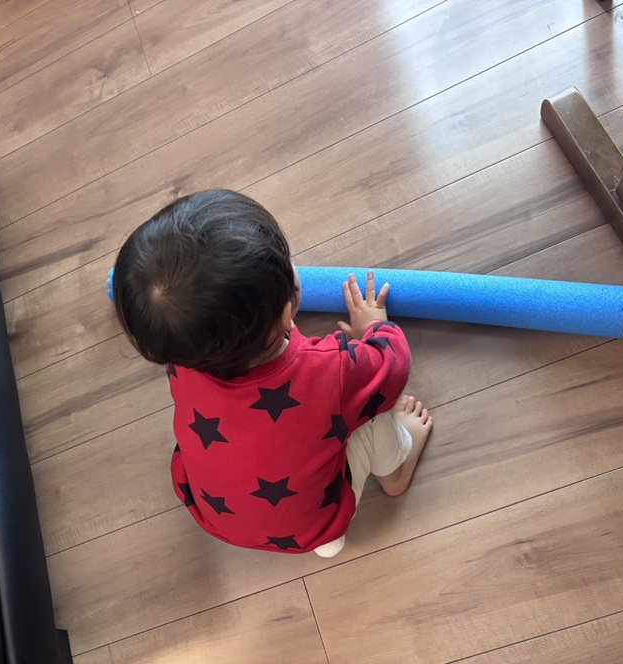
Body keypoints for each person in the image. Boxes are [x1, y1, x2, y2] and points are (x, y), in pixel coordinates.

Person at [112, 189, 432, 557]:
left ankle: (319, 534)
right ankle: (395, 473)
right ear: (285, 313)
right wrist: (373, 327)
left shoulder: (182, 353)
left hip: (217, 517)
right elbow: (392, 363)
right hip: (316, 523)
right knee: (369, 403)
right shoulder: (333, 371)